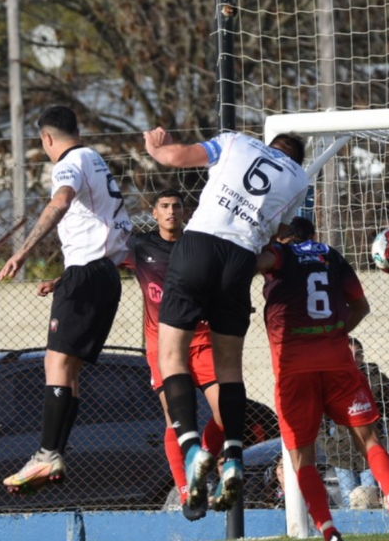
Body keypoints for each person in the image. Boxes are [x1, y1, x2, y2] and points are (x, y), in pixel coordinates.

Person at [143, 126, 309, 512]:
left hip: (200, 245)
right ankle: (233, 456)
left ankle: (191, 449)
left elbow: (176, 157)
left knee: (170, 356)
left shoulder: (236, 141)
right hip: (240, 259)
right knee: (230, 368)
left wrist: (156, 148)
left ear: (268, 145)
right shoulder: (299, 180)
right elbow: (279, 231)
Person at [0, 106, 132, 494]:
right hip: (103, 274)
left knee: (55, 362)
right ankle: (54, 452)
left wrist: (23, 251)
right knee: (68, 368)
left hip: (88, 274)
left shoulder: (69, 163)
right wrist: (65, 278)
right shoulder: (96, 160)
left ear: (46, 138)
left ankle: (47, 453)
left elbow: (60, 201)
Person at [256, 217, 389, 541]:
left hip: (294, 367)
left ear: (282, 237)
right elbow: (361, 307)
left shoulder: (280, 254)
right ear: (313, 235)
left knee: (302, 458)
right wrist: (335, 335)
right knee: (369, 440)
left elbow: (253, 262)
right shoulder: (331, 255)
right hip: (337, 360)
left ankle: (329, 532)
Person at [122, 188, 224, 520]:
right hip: (163, 347)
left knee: (226, 413)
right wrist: (62, 280)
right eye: (164, 206)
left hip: (202, 341)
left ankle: (200, 461)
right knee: (175, 419)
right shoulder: (139, 247)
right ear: (154, 213)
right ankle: (185, 492)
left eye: (176, 206)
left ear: (185, 212)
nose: (170, 212)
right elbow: (97, 261)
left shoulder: (198, 244)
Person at [322, 337, 389, 509]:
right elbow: (320, 419)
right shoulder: (330, 379)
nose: (354, 359)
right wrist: (328, 444)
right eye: (349, 354)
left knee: (369, 497)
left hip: (370, 448)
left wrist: (386, 439)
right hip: (342, 451)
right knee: (349, 500)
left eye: (359, 354)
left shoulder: (377, 380)